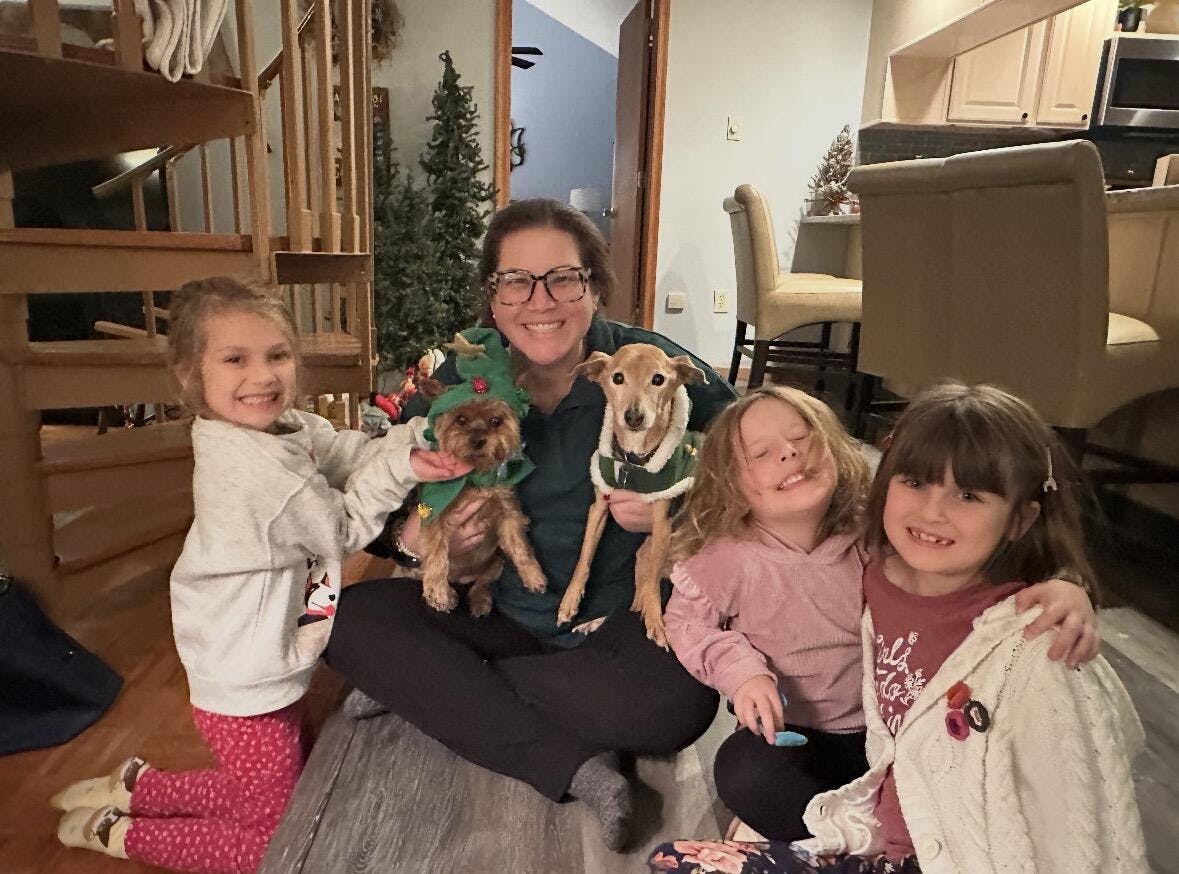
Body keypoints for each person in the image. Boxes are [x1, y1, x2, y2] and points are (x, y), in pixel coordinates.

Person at [324, 198, 738, 850]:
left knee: (676, 708)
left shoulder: (650, 363)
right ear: (492, 297)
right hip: (493, 609)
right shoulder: (459, 374)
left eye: (563, 279)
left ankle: (439, 691)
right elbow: (381, 486)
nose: (539, 301)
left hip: (617, 628)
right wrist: (412, 541)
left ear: (594, 287)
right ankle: (568, 759)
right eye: (515, 281)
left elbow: (754, 458)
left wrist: (681, 506)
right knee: (336, 618)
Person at [51, 277, 466, 873]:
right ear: (189, 375)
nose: (262, 376)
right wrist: (403, 468)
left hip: (264, 648)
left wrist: (420, 435)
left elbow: (345, 452)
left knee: (271, 788)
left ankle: (139, 788)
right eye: (235, 360)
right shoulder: (254, 473)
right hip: (246, 673)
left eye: (277, 355)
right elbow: (340, 529)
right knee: (277, 838)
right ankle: (121, 833)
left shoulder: (280, 429)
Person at [649, 383, 1146, 873]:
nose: (789, 453)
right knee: (743, 775)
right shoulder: (735, 559)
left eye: (802, 438)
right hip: (804, 738)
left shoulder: (878, 543)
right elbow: (688, 624)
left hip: (899, 752)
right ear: (729, 481)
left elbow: (1000, 569)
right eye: (761, 453)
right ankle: (839, 839)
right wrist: (741, 672)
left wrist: (1067, 586)